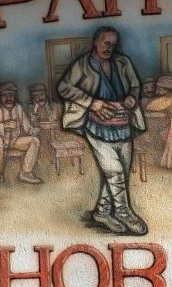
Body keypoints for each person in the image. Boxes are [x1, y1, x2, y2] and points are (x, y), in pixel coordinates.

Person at [57, 26, 147, 235]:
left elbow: (135, 86)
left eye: (113, 45)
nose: (109, 48)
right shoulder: (83, 65)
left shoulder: (123, 62)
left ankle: (102, 212)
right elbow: (63, 87)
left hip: (123, 126)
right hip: (96, 127)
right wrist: (91, 102)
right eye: (106, 43)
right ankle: (124, 212)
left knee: (119, 173)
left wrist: (132, 97)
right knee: (114, 172)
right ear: (96, 42)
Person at [0, 83, 42, 185]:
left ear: (14, 96)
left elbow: (27, 126)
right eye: (5, 95)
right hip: (0, 141)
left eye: (11, 95)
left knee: (34, 141)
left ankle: (26, 172)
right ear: (0, 97)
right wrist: (5, 125)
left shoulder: (18, 108)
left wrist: (34, 131)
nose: (8, 98)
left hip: (15, 141)